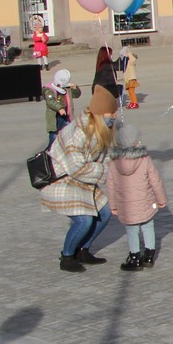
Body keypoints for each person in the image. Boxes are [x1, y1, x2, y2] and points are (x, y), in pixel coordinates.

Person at [41, 86, 117, 272]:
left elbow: (106, 155)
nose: (113, 117)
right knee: (84, 220)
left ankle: (83, 249)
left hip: (83, 179)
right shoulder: (78, 132)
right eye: (110, 113)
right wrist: (106, 171)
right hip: (62, 180)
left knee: (105, 213)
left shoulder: (100, 129)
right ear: (99, 113)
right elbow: (77, 167)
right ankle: (67, 256)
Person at [106, 121, 167, 271]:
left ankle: (134, 257)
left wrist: (113, 206)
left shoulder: (114, 163)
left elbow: (110, 185)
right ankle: (149, 255)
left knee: (132, 230)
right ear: (136, 141)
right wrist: (161, 200)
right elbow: (155, 181)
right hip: (145, 202)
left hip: (126, 205)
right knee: (148, 225)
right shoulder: (145, 160)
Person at [44, 68, 73, 146]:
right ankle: (50, 152)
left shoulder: (66, 89)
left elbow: (77, 94)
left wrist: (75, 88)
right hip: (55, 118)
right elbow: (50, 101)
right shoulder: (49, 91)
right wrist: (60, 108)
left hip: (65, 116)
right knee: (54, 137)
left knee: (68, 135)